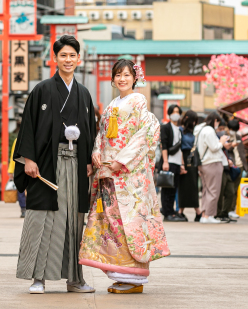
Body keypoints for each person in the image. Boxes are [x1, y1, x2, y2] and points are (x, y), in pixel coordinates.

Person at [12, 35, 97, 294]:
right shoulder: (42, 90)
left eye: (72, 55)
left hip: (76, 165)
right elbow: (28, 126)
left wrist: (89, 160)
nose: (68, 60)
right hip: (46, 164)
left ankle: (75, 279)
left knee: (73, 220)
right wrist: (28, 159)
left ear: (79, 59)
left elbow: (90, 131)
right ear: (55, 58)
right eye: (63, 55)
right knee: (42, 218)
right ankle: (38, 278)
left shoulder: (84, 94)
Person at [80, 59, 169, 294]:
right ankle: (121, 275)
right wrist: (96, 151)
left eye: (127, 75)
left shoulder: (138, 101)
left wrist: (122, 160)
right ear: (113, 78)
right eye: (118, 75)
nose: (122, 79)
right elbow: (102, 133)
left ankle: (134, 277)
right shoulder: (112, 104)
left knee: (130, 223)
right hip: (109, 171)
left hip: (128, 174)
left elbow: (145, 133)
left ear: (134, 78)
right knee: (113, 223)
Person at [195, 112, 229, 224]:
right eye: (217, 122)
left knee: (206, 190)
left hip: (204, 163)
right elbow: (214, 147)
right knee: (214, 190)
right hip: (212, 162)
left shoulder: (201, 130)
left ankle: (204, 215)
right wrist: (222, 142)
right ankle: (208, 215)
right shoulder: (209, 130)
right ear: (215, 121)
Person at [160, 104, 186, 221]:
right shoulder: (166, 127)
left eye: (177, 112)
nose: (176, 114)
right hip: (169, 162)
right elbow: (164, 145)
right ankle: (167, 213)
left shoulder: (180, 129)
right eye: (173, 112)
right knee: (167, 188)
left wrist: (182, 164)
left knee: (174, 188)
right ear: (169, 114)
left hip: (177, 162)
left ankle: (171, 211)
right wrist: (165, 162)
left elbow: (180, 149)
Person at [217, 118, 245, 221]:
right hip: (226, 166)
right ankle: (221, 213)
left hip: (237, 165)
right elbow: (222, 149)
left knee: (233, 190)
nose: (233, 131)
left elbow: (240, 151)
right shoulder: (222, 136)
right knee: (224, 190)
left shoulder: (238, 136)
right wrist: (231, 146)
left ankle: (228, 211)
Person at [177, 110, 202, 221]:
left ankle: (195, 211)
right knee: (183, 186)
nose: (194, 123)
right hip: (184, 158)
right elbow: (179, 148)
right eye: (193, 120)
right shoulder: (180, 130)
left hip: (193, 159)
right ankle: (182, 211)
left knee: (193, 186)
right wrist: (182, 163)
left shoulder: (195, 131)